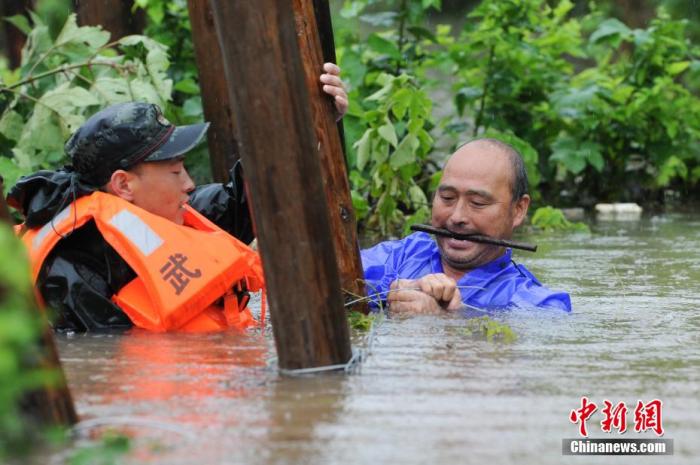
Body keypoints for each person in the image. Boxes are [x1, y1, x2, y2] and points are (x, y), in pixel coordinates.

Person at [7, 64, 348, 332]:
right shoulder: (72, 268)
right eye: (174, 172)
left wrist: (310, 123)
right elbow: (107, 367)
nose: (189, 184)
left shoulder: (169, 213)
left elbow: (253, 197)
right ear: (124, 185)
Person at [361, 138, 572, 315]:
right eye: (447, 197)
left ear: (518, 210)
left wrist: (449, 319)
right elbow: (332, 277)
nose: (457, 217)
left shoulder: (538, 303)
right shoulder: (399, 257)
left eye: (478, 203)